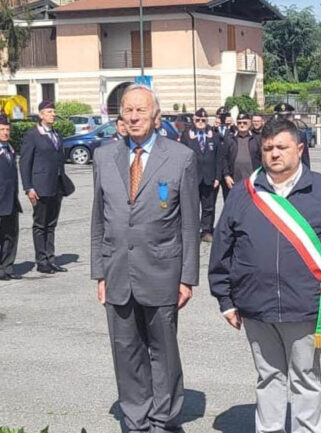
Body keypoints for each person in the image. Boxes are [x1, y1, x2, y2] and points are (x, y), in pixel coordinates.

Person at [209, 119, 321, 433]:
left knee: (306, 377)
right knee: (268, 378)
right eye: (268, 148)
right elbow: (223, 245)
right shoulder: (243, 193)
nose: (274, 154)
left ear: (300, 149)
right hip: (255, 305)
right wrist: (225, 297)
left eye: (282, 147)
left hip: (307, 305)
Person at [90, 84, 200, 433]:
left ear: (157, 117)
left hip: (163, 272)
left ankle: (163, 418)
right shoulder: (103, 157)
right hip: (118, 270)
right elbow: (98, 219)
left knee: (162, 352)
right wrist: (100, 272)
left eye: (141, 110)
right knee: (126, 350)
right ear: (120, 116)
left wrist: (187, 277)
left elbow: (189, 225)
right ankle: (135, 418)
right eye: (128, 110)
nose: (134, 116)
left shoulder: (181, 157)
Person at [19, 100, 71, 274]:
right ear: (41, 115)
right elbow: (25, 163)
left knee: (51, 224)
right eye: (49, 112)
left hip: (56, 186)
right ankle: (41, 261)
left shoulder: (56, 134)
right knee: (40, 224)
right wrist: (28, 187)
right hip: (40, 186)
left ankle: (51, 258)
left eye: (54, 112)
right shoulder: (32, 135)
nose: (53, 114)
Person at [180, 108, 221, 242]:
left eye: (203, 120)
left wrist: (217, 177)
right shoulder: (187, 135)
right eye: (198, 120)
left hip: (209, 177)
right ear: (194, 120)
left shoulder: (213, 135)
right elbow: (181, 158)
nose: (200, 122)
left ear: (207, 120)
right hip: (192, 177)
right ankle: (192, 231)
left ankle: (206, 231)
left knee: (209, 206)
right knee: (192, 206)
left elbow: (218, 157)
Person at [220, 113, 261, 201]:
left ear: (250, 123)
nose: (242, 125)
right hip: (234, 181)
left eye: (244, 123)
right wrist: (226, 175)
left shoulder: (257, 139)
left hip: (252, 181)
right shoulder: (230, 139)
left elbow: (262, 159)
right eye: (239, 123)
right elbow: (224, 158)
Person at [0, 115, 21, 280]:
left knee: (11, 235)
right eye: (2, 130)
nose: (5, 133)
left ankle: (7, 267)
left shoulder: (10, 149)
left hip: (11, 201)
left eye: (7, 130)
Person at [273, 102, 311, 168]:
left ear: (291, 117)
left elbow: (304, 158)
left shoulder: (300, 135)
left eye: (286, 117)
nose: (284, 120)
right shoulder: (271, 135)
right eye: (281, 117)